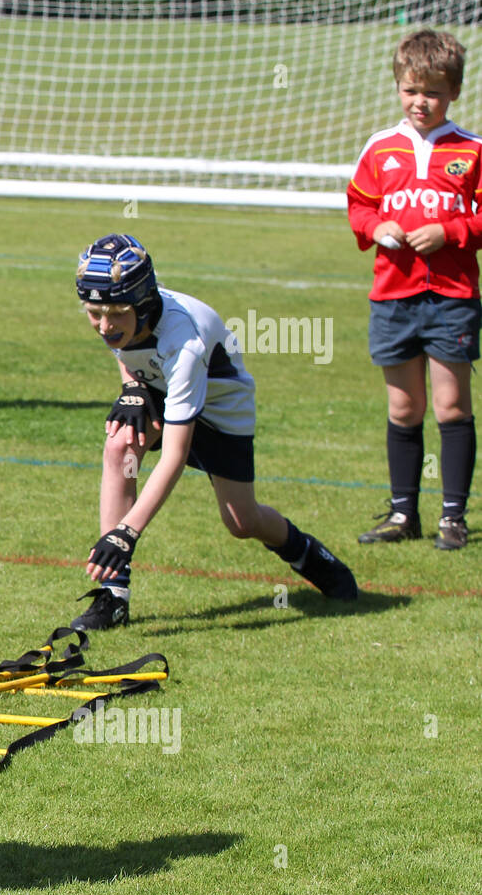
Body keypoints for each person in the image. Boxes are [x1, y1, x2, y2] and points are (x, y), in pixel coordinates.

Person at [67, 234, 358, 631]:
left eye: (115, 313)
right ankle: (112, 597)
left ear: (143, 302)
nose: (104, 325)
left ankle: (308, 553)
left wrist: (125, 534)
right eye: (93, 312)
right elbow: (126, 349)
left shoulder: (183, 342)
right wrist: (133, 387)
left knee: (241, 521)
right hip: (163, 387)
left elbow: (173, 457)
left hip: (222, 410)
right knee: (121, 444)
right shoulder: (125, 309)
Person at [347, 29, 478, 551]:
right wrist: (374, 228)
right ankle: (403, 514)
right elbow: (359, 205)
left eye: (433, 92)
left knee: (451, 407)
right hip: (394, 298)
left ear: (454, 93)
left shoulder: (471, 152)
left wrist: (451, 232)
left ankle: (453, 516)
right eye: (411, 89)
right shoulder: (380, 148)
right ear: (398, 86)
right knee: (404, 409)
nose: (421, 101)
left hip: (452, 298)